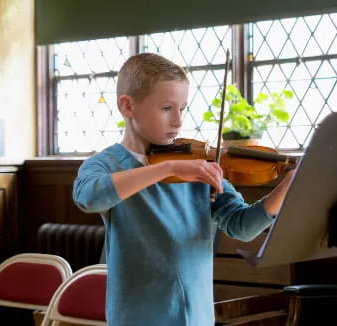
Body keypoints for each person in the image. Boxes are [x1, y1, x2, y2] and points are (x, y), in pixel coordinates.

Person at [73, 53, 295, 326]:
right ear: (127, 106)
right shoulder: (105, 165)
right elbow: (90, 197)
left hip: (197, 315)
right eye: (167, 108)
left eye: (183, 108)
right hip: (138, 315)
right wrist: (168, 169)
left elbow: (242, 227)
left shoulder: (198, 165)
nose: (178, 121)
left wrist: (285, 188)